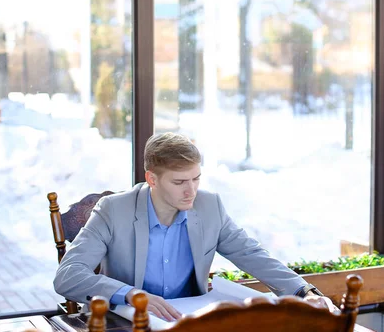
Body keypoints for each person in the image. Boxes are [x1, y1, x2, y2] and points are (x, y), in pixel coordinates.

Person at [54, 132, 334, 320]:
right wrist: (130, 294)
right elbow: (67, 276)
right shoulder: (113, 210)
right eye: (179, 182)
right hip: (129, 323)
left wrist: (303, 291)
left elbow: (252, 254)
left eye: (196, 179)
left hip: (189, 323)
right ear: (151, 179)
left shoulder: (210, 207)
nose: (191, 191)